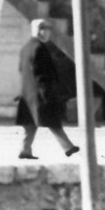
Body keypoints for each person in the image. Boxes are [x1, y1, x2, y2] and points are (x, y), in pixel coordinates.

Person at [16, 18, 78, 160]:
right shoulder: (40, 47)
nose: (46, 32)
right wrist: (47, 92)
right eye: (43, 29)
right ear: (37, 30)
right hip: (41, 92)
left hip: (29, 92)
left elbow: (22, 69)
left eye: (47, 29)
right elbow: (41, 73)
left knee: (32, 123)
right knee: (52, 121)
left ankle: (25, 150)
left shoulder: (26, 47)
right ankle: (68, 147)